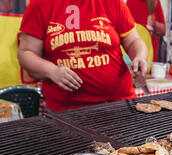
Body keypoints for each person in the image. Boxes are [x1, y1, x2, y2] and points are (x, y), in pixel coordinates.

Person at [17, 0, 148, 112]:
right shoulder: (41, 4)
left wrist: (139, 56)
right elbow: (26, 53)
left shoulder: (112, 2)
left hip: (118, 103)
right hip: (66, 110)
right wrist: (51, 71)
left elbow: (132, 42)